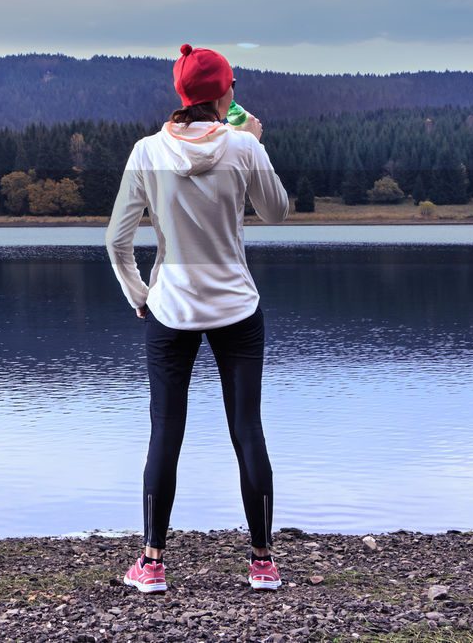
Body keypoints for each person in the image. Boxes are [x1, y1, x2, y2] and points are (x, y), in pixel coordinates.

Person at [106, 43, 290, 594]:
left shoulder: (146, 151)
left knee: (166, 431)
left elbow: (116, 241)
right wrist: (254, 145)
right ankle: (261, 564)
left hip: (171, 308)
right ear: (224, 94)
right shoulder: (242, 145)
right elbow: (278, 212)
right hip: (236, 306)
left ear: (183, 96)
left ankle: (153, 564)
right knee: (247, 430)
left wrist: (141, 295)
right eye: (231, 84)